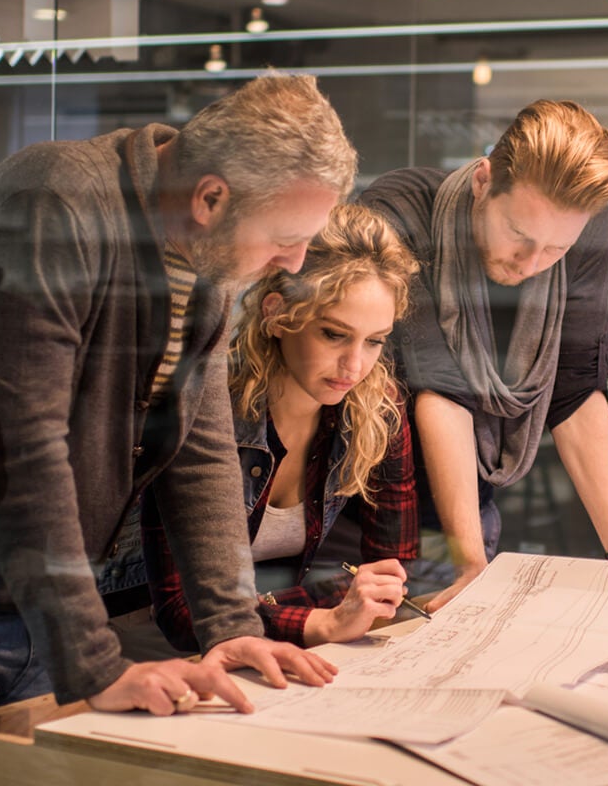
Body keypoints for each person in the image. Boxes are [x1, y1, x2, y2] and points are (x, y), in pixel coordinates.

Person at [0, 73, 355, 785]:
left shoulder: (205, 256)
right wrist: (94, 664)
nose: (293, 262)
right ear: (211, 198)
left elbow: (199, 449)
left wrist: (231, 624)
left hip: (37, 603)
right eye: (285, 239)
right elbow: (21, 449)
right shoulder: (54, 203)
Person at [357, 99, 608, 608]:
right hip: (368, 510)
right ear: (483, 181)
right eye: (518, 234)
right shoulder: (402, 210)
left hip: (471, 509)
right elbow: (440, 388)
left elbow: (576, 388)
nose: (532, 263)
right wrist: (471, 565)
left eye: (557, 249)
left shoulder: (585, 228)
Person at [146, 204, 422, 650]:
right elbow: (182, 611)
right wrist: (326, 619)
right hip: (148, 643)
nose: (355, 366)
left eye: (374, 341)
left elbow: (391, 577)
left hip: (269, 640)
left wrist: (326, 609)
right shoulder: (208, 405)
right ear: (277, 314)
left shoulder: (376, 408)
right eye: (333, 334)